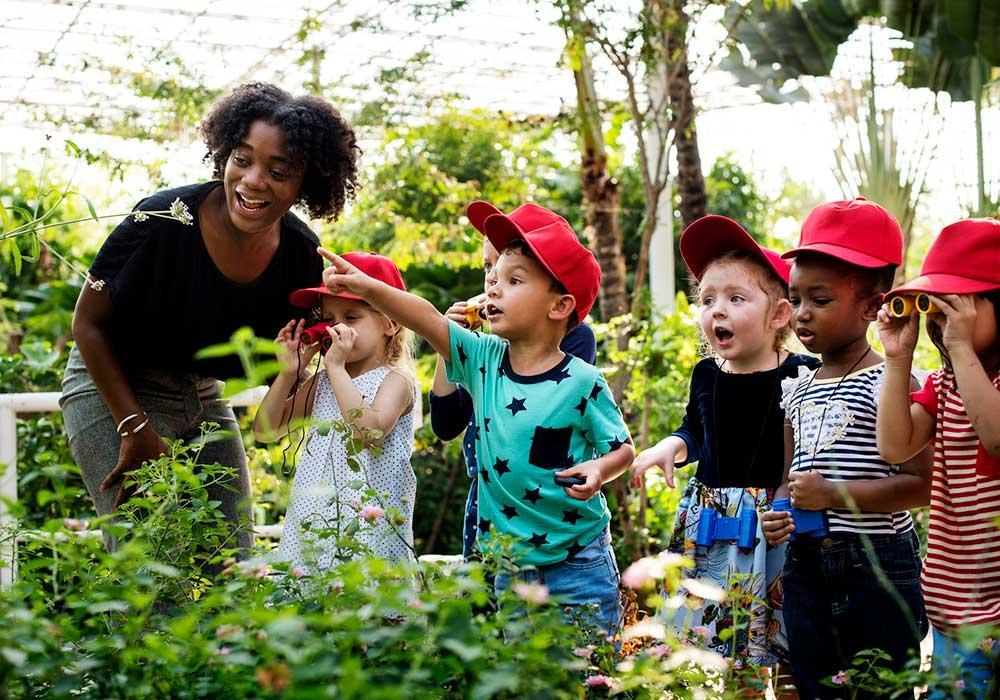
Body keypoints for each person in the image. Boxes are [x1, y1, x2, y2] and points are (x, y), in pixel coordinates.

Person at [60, 82, 360, 555]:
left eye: (278, 170)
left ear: (308, 182)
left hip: (201, 392)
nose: (253, 180)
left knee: (233, 562)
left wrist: (361, 305)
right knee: (151, 561)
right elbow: (87, 324)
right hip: (112, 385)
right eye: (242, 159)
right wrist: (135, 429)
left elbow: (315, 352)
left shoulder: (301, 255)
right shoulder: (161, 219)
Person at [315, 201, 635, 640]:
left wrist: (600, 469)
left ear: (559, 305)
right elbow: (424, 317)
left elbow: (623, 449)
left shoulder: (582, 379)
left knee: (585, 674)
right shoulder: (481, 357)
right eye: (493, 276)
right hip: (507, 563)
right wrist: (367, 288)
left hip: (577, 560)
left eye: (513, 280)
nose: (492, 288)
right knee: (519, 675)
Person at [630, 215, 816, 690]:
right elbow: (695, 430)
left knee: (787, 642)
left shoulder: (802, 374)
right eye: (708, 299)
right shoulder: (706, 374)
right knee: (729, 652)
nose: (718, 310)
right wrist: (666, 448)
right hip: (711, 527)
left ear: (778, 315)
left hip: (775, 526)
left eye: (736, 298)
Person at [761, 198, 931, 699]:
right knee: (816, 688)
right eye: (796, 298)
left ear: (872, 306)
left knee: (881, 688)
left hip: (875, 568)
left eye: (821, 299)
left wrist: (833, 494)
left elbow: (920, 486)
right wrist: (778, 510)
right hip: (804, 566)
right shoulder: (798, 387)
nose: (802, 314)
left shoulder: (892, 382)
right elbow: (789, 476)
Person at [429, 201, 596, 560]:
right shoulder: (482, 348)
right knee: (488, 608)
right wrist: (449, 343)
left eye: (511, 275)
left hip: (546, 509)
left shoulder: (576, 339)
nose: (491, 280)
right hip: (488, 498)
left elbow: (547, 416)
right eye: (489, 268)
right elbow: (445, 424)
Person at [876, 218, 1000, 698]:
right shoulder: (943, 384)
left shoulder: (978, 378)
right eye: (933, 307)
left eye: (956, 306)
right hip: (950, 611)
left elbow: (994, 437)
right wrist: (897, 357)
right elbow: (895, 445)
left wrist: (963, 347)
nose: (938, 322)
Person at [254, 253, 418, 570]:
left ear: (391, 323)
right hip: (313, 529)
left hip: (369, 536)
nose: (336, 328)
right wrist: (288, 373)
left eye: (351, 317)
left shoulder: (396, 380)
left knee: (368, 613)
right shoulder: (325, 379)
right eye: (329, 319)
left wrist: (336, 368)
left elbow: (367, 432)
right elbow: (265, 430)